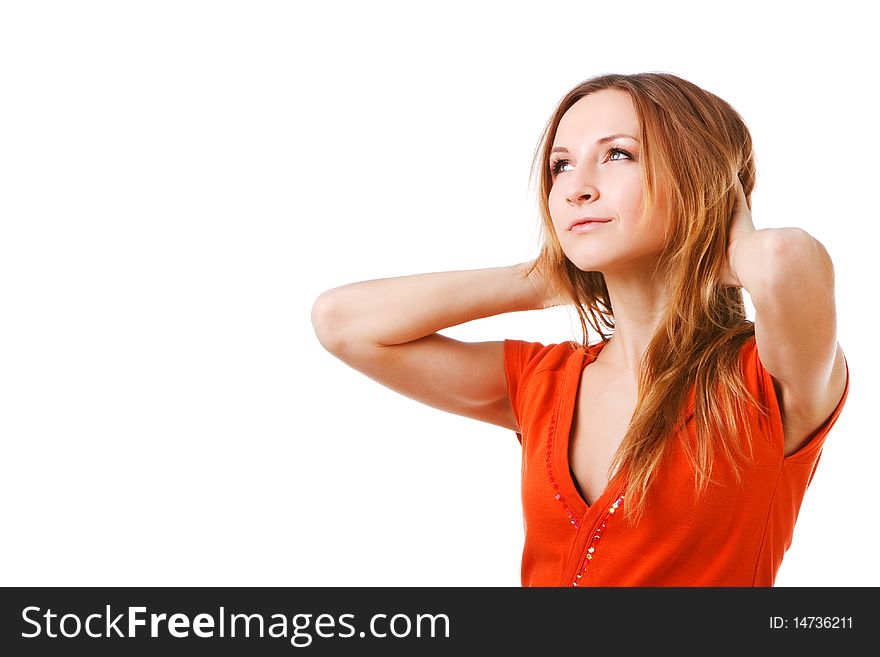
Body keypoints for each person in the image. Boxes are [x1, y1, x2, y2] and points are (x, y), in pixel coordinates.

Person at [310, 72, 849, 587]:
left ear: (698, 178)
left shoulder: (766, 383)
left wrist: (719, 242)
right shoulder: (542, 381)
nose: (576, 188)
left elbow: (783, 257)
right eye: (561, 166)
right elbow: (343, 322)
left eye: (617, 154)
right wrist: (547, 278)